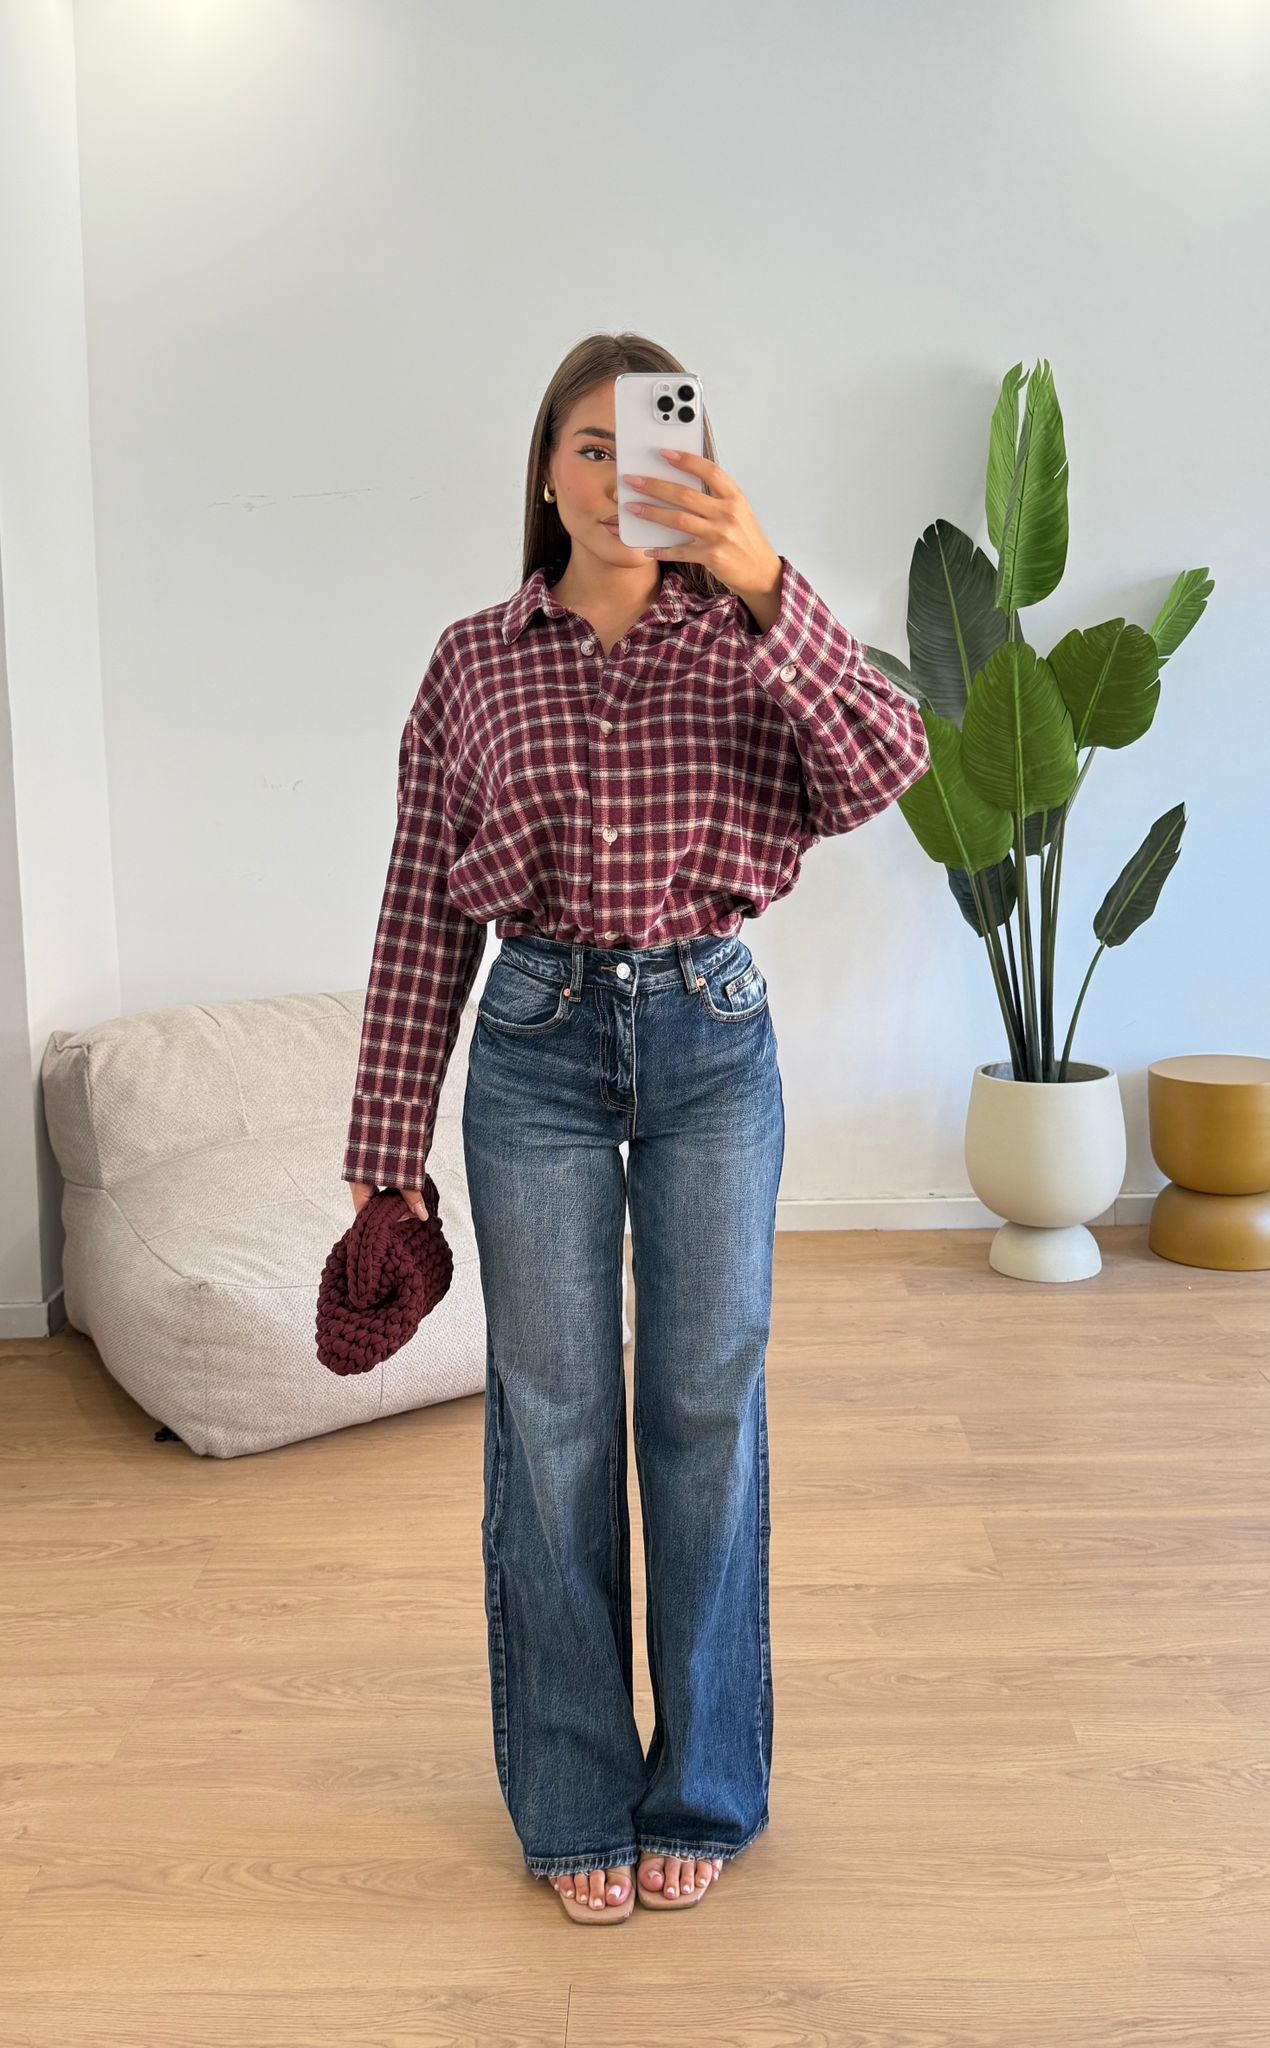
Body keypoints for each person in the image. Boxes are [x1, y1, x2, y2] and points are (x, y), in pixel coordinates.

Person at [344, 332, 930, 1922]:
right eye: (587, 446)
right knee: (548, 1423)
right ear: (545, 473)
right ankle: (572, 1792)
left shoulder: (748, 636)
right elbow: (418, 905)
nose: (616, 475)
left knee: (702, 1407)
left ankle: (704, 1785)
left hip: (708, 1036)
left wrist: (770, 587)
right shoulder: (471, 663)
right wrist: (385, 1146)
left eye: (649, 443)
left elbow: (887, 770)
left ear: (699, 465)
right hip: (530, 1043)